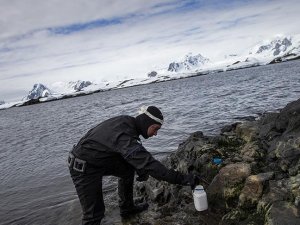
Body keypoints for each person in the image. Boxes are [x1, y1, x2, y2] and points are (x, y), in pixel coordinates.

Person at [68, 105, 199, 225]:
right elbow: (150, 165)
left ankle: (127, 209)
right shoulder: (125, 135)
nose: (155, 134)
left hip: (97, 159)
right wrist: (182, 179)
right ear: (147, 122)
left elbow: (124, 154)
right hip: (84, 167)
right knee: (94, 214)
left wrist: (138, 167)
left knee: (127, 169)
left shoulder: (127, 122)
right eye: (155, 128)